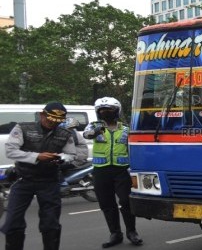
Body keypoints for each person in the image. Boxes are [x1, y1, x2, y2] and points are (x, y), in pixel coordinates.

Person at [0, 102, 76, 250]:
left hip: (49, 181)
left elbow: (71, 155)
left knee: (50, 223)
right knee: (13, 221)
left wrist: (60, 158)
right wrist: (37, 157)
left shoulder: (65, 134)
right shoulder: (22, 128)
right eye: (50, 119)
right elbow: (11, 151)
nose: (53, 123)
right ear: (42, 115)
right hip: (23, 179)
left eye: (57, 121)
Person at [83, 97, 143, 248]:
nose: (105, 113)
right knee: (107, 204)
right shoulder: (94, 127)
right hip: (101, 172)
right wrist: (96, 130)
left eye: (109, 111)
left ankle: (132, 232)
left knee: (126, 201)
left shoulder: (126, 129)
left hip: (121, 171)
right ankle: (115, 233)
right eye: (102, 111)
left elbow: (134, 149)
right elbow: (86, 134)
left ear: (116, 112)